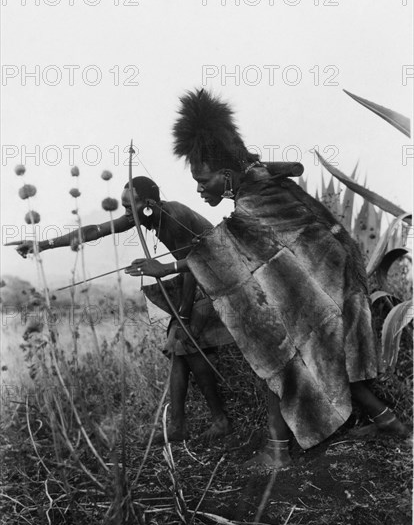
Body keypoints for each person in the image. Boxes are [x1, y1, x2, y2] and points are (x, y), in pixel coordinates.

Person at [127, 89, 409, 471]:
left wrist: (166, 268)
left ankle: (277, 451)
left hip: (328, 283)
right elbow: (240, 239)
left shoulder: (254, 196)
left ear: (226, 174)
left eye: (203, 180)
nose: (198, 189)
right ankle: (389, 423)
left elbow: (225, 249)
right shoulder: (255, 182)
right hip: (329, 281)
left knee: (275, 352)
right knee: (332, 355)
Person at [8, 176, 233, 442]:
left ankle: (219, 421)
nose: (126, 214)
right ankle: (177, 426)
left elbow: (193, 265)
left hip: (219, 280)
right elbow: (95, 230)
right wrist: (42, 245)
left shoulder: (173, 217)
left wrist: (183, 315)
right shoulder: (146, 214)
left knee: (186, 339)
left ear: (148, 203)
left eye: (129, 207)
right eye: (124, 207)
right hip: (196, 276)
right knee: (177, 345)